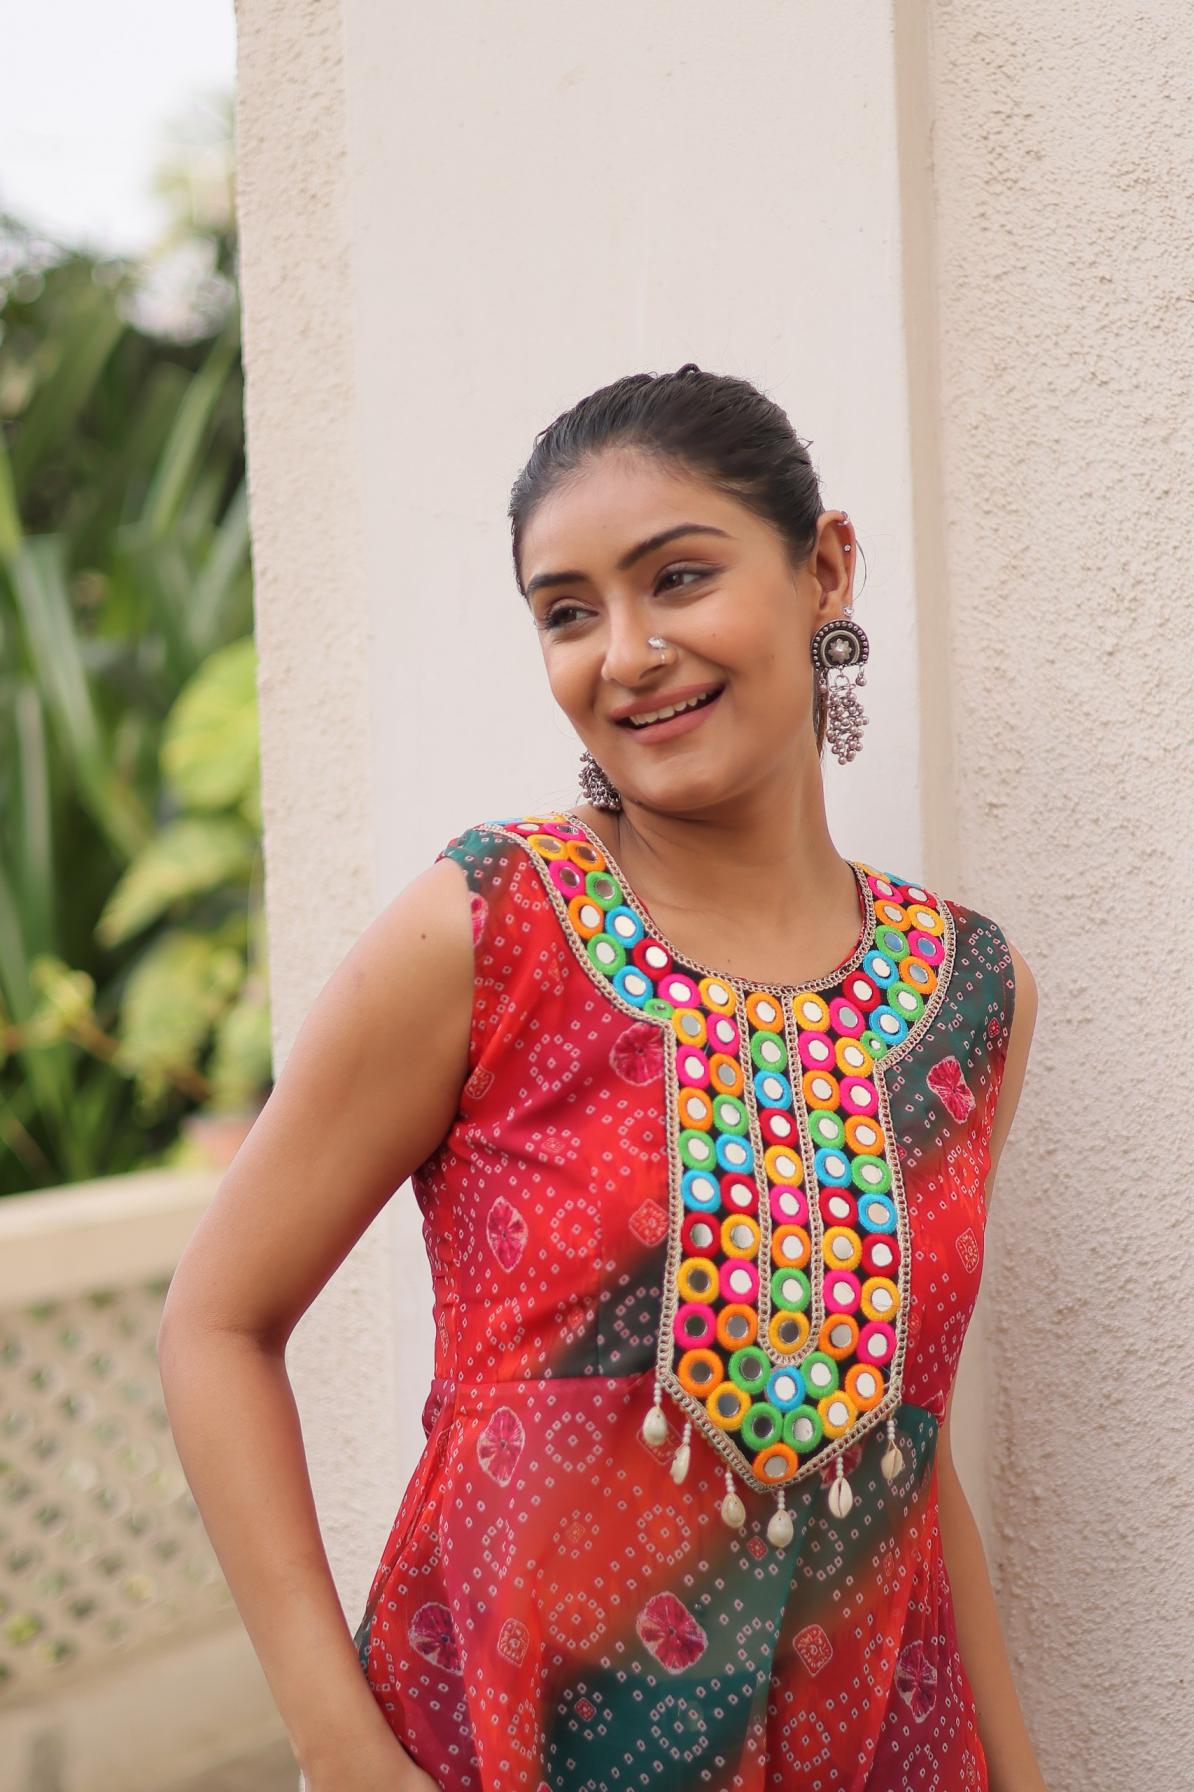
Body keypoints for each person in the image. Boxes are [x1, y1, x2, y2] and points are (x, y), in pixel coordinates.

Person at [157, 365, 1045, 1792]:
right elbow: (215, 1326)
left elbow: (898, 1432)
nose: (626, 653)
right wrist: (342, 1752)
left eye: (677, 578)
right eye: (567, 612)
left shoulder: (966, 994)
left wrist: (1015, 1769)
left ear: (824, 569)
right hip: (512, 1748)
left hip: (880, 1750)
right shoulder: (491, 928)